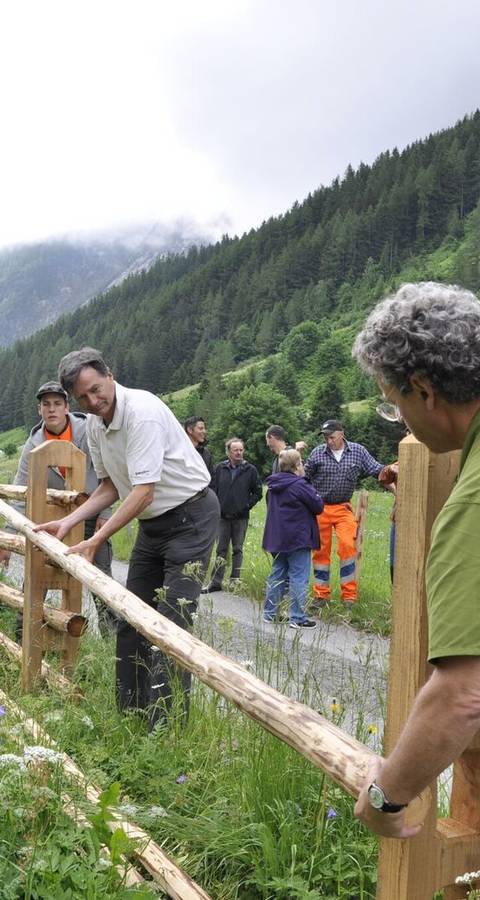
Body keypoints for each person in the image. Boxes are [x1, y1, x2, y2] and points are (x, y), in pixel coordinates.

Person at [351, 281, 480, 839]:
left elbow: (463, 694)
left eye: (392, 400)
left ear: (424, 390)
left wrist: (387, 796)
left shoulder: (472, 502)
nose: (398, 417)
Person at [34, 349, 220, 730]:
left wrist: (95, 539)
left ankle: (165, 728)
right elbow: (109, 487)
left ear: (110, 375)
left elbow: (142, 491)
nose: (93, 401)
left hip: (191, 517)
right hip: (154, 526)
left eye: (96, 389)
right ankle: (130, 717)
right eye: (83, 397)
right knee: (131, 617)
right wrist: (69, 521)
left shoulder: (143, 413)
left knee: (171, 623)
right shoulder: (97, 426)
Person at [0, 380, 115, 635]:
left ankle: (114, 642)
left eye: (57, 404)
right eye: (45, 404)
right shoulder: (33, 444)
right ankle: (26, 635)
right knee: (38, 578)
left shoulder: (87, 431)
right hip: (54, 521)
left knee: (101, 582)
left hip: (90, 515)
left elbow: (111, 472)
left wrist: (106, 514)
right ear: (38, 410)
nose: (51, 409)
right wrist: (8, 538)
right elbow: (22, 493)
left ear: (66, 407)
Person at [304, 419, 388, 608]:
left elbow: (377, 470)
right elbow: (303, 478)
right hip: (320, 508)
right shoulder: (318, 453)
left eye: (331, 437)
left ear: (342, 434)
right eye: (326, 437)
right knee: (320, 553)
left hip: (343, 508)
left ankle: (349, 596)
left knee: (348, 547)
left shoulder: (358, 451)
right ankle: (321, 596)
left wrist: (392, 475)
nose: (329, 441)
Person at [263, 449, 324, 629]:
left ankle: (270, 612)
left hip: (278, 537)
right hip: (298, 536)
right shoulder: (299, 485)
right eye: (301, 463)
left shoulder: (274, 485)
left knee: (278, 574)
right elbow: (318, 505)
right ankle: (297, 617)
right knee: (299, 577)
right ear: (297, 465)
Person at [202, 437, 262, 592]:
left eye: (241, 450)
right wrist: (216, 507)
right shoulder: (219, 468)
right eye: (235, 450)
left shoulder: (250, 470)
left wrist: (246, 506)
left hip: (240, 518)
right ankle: (216, 582)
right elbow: (212, 489)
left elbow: (258, 492)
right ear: (228, 452)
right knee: (221, 549)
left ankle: (235, 582)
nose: (239, 453)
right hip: (222, 517)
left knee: (238, 549)